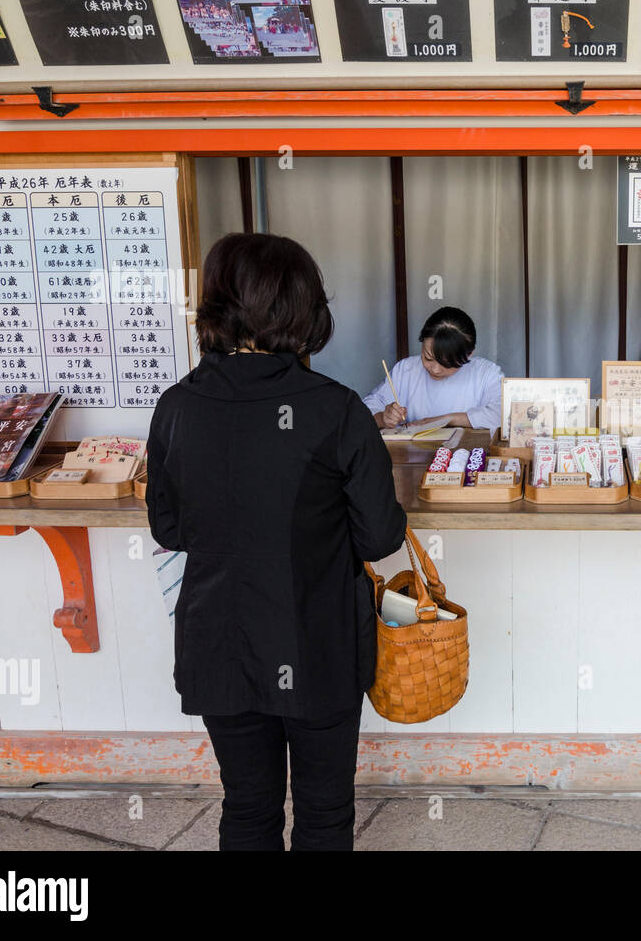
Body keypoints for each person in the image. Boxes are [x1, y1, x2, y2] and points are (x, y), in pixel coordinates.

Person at [145, 232, 406, 851]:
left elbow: (169, 529)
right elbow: (379, 538)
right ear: (304, 312)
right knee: (322, 814)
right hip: (318, 646)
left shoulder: (177, 407)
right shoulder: (337, 410)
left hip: (219, 646)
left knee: (247, 807)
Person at [363, 306, 502, 432]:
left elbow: (504, 415)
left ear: (469, 355)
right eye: (428, 357)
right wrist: (382, 417)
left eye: (446, 364)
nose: (435, 369)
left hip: (466, 457)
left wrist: (447, 420)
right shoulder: (405, 369)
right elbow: (366, 409)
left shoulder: (487, 374)